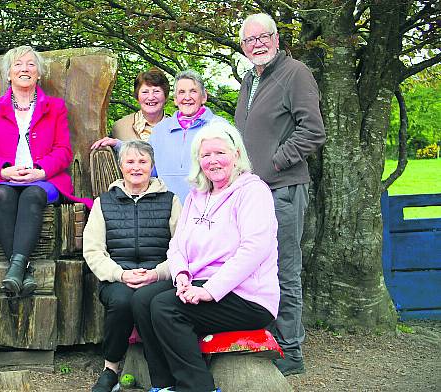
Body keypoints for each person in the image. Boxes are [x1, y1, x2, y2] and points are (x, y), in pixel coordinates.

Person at [134, 122, 280, 392]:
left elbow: (254, 249)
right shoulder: (197, 195)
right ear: (198, 161)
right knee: (142, 300)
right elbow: (177, 244)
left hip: (247, 295)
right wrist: (180, 275)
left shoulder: (253, 191)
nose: (213, 161)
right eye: (205, 155)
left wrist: (210, 291)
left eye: (219, 153)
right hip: (199, 281)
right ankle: (164, 385)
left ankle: (196, 387)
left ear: (236, 154)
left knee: (166, 308)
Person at [235, 13, 326, 375]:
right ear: (243, 46)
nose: (257, 44)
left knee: (285, 269)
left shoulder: (295, 73)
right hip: (254, 191)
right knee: (258, 267)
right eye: (249, 40)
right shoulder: (249, 78)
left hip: (284, 189)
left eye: (263, 37)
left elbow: (313, 131)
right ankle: (267, 340)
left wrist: (275, 162)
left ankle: (291, 352)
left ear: (277, 38)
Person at [0, 45, 92, 297]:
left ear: (39, 73)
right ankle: (21, 270)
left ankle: (15, 270)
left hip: (43, 178)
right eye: (18, 64)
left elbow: (63, 150)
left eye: (30, 64)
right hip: (4, 178)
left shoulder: (55, 107)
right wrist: (4, 171)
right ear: (8, 74)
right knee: (3, 195)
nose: (24, 69)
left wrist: (41, 171)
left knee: (32, 195)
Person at [83, 140, 181, 392]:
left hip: (159, 276)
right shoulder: (103, 202)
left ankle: (164, 374)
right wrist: (121, 274)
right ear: (121, 166)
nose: (136, 167)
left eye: (142, 162)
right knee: (123, 301)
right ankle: (110, 369)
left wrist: (157, 273)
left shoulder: (171, 201)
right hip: (117, 277)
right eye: (130, 162)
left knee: (151, 302)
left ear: (152, 166)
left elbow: (182, 248)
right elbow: (93, 250)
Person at [93, 70, 227, 203]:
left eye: (193, 91)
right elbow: (149, 166)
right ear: (175, 99)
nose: (187, 97)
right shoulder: (160, 130)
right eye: (181, 92)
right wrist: (118, 145)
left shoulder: (219, 127)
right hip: (168, 210)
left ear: (204, 97)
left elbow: (233, 170)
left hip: (209, 209)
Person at [92, 67, 170, 147]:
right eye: (145, 92)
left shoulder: (178, 128)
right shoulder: (120, 127)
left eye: (156, 91)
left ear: (165, 95)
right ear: (137, 96)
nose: (151, 97)